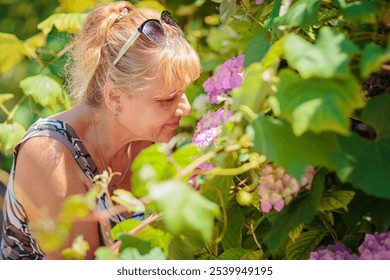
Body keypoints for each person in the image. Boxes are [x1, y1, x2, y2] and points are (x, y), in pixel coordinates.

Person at [0, 1, 200, 260]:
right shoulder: (49, 156)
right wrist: (182, 203)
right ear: (115, 98)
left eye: (183, 92)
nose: (186, 108)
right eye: (166, 100)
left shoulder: (149, 135)